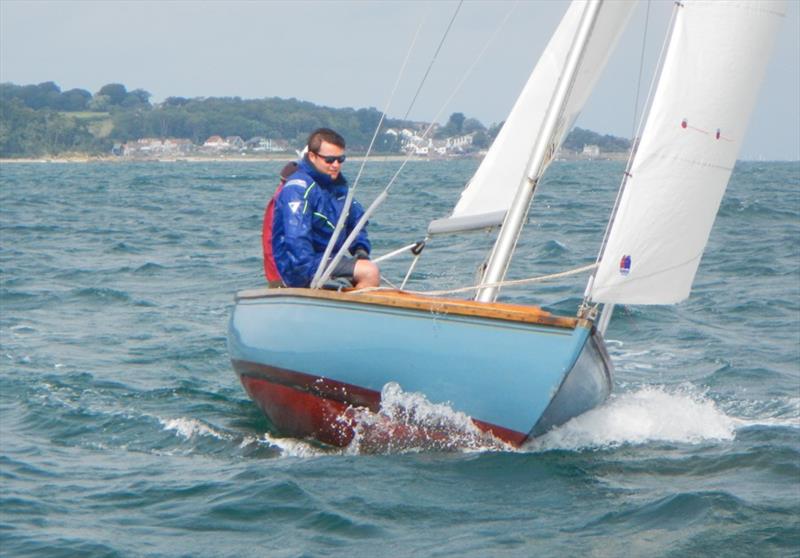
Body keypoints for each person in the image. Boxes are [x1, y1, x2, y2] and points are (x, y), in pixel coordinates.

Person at [262, 128, 380, 289]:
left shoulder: (338, 188)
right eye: (330, 160)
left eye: (340, 159)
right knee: (369, 272)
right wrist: (309, 274)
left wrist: (360, 249)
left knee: (366, 266)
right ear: (312, 156)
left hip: (325, 260)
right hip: (298, 268)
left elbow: (357, 222)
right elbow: (296, 239)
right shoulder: (298, 189)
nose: (336, 165)